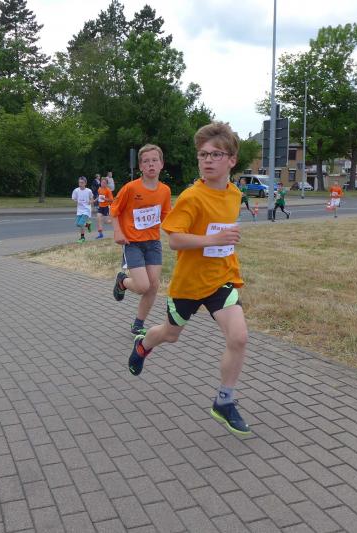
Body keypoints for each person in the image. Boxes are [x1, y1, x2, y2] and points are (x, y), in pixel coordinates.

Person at [126, 121, 252, 436]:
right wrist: (213, 239)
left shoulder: (234, 194)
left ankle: (224, 401)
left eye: (215, 154)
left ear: (231, 160)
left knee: (238, 337)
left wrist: (224, 241)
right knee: (170, 334)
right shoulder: (191, 197)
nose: (207, 160)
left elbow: (222, 231)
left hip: (221, 278)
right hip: (188, 284)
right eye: (203, 154)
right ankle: (144, 344)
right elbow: (175, 240)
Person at [111, 144, 173, 336]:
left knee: (153, 286)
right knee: (142, 286)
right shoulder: (131, 188)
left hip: (153, 243)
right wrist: (118, 232)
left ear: (161, 164)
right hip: (132, 243)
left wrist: (178, 233)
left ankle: (138, 324)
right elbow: (114, 210)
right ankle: (123, 281)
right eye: (146, 161)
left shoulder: (165, 190)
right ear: (140, 166)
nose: (151, 164)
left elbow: (166, 216)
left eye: (155, 160)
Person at [71, 177, 94, 242]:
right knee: (77, 224)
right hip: (79, 210)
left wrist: (90, 201)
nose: (80, 184)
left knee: (81, 224)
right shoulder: (76, 190)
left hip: (86, 210)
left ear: (85, 183)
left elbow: (92, 199)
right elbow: (73, 198)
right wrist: (77, 201)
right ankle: (88, 225)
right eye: (79, 182)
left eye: (82, 183)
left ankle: (82, 238)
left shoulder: (89, 191)